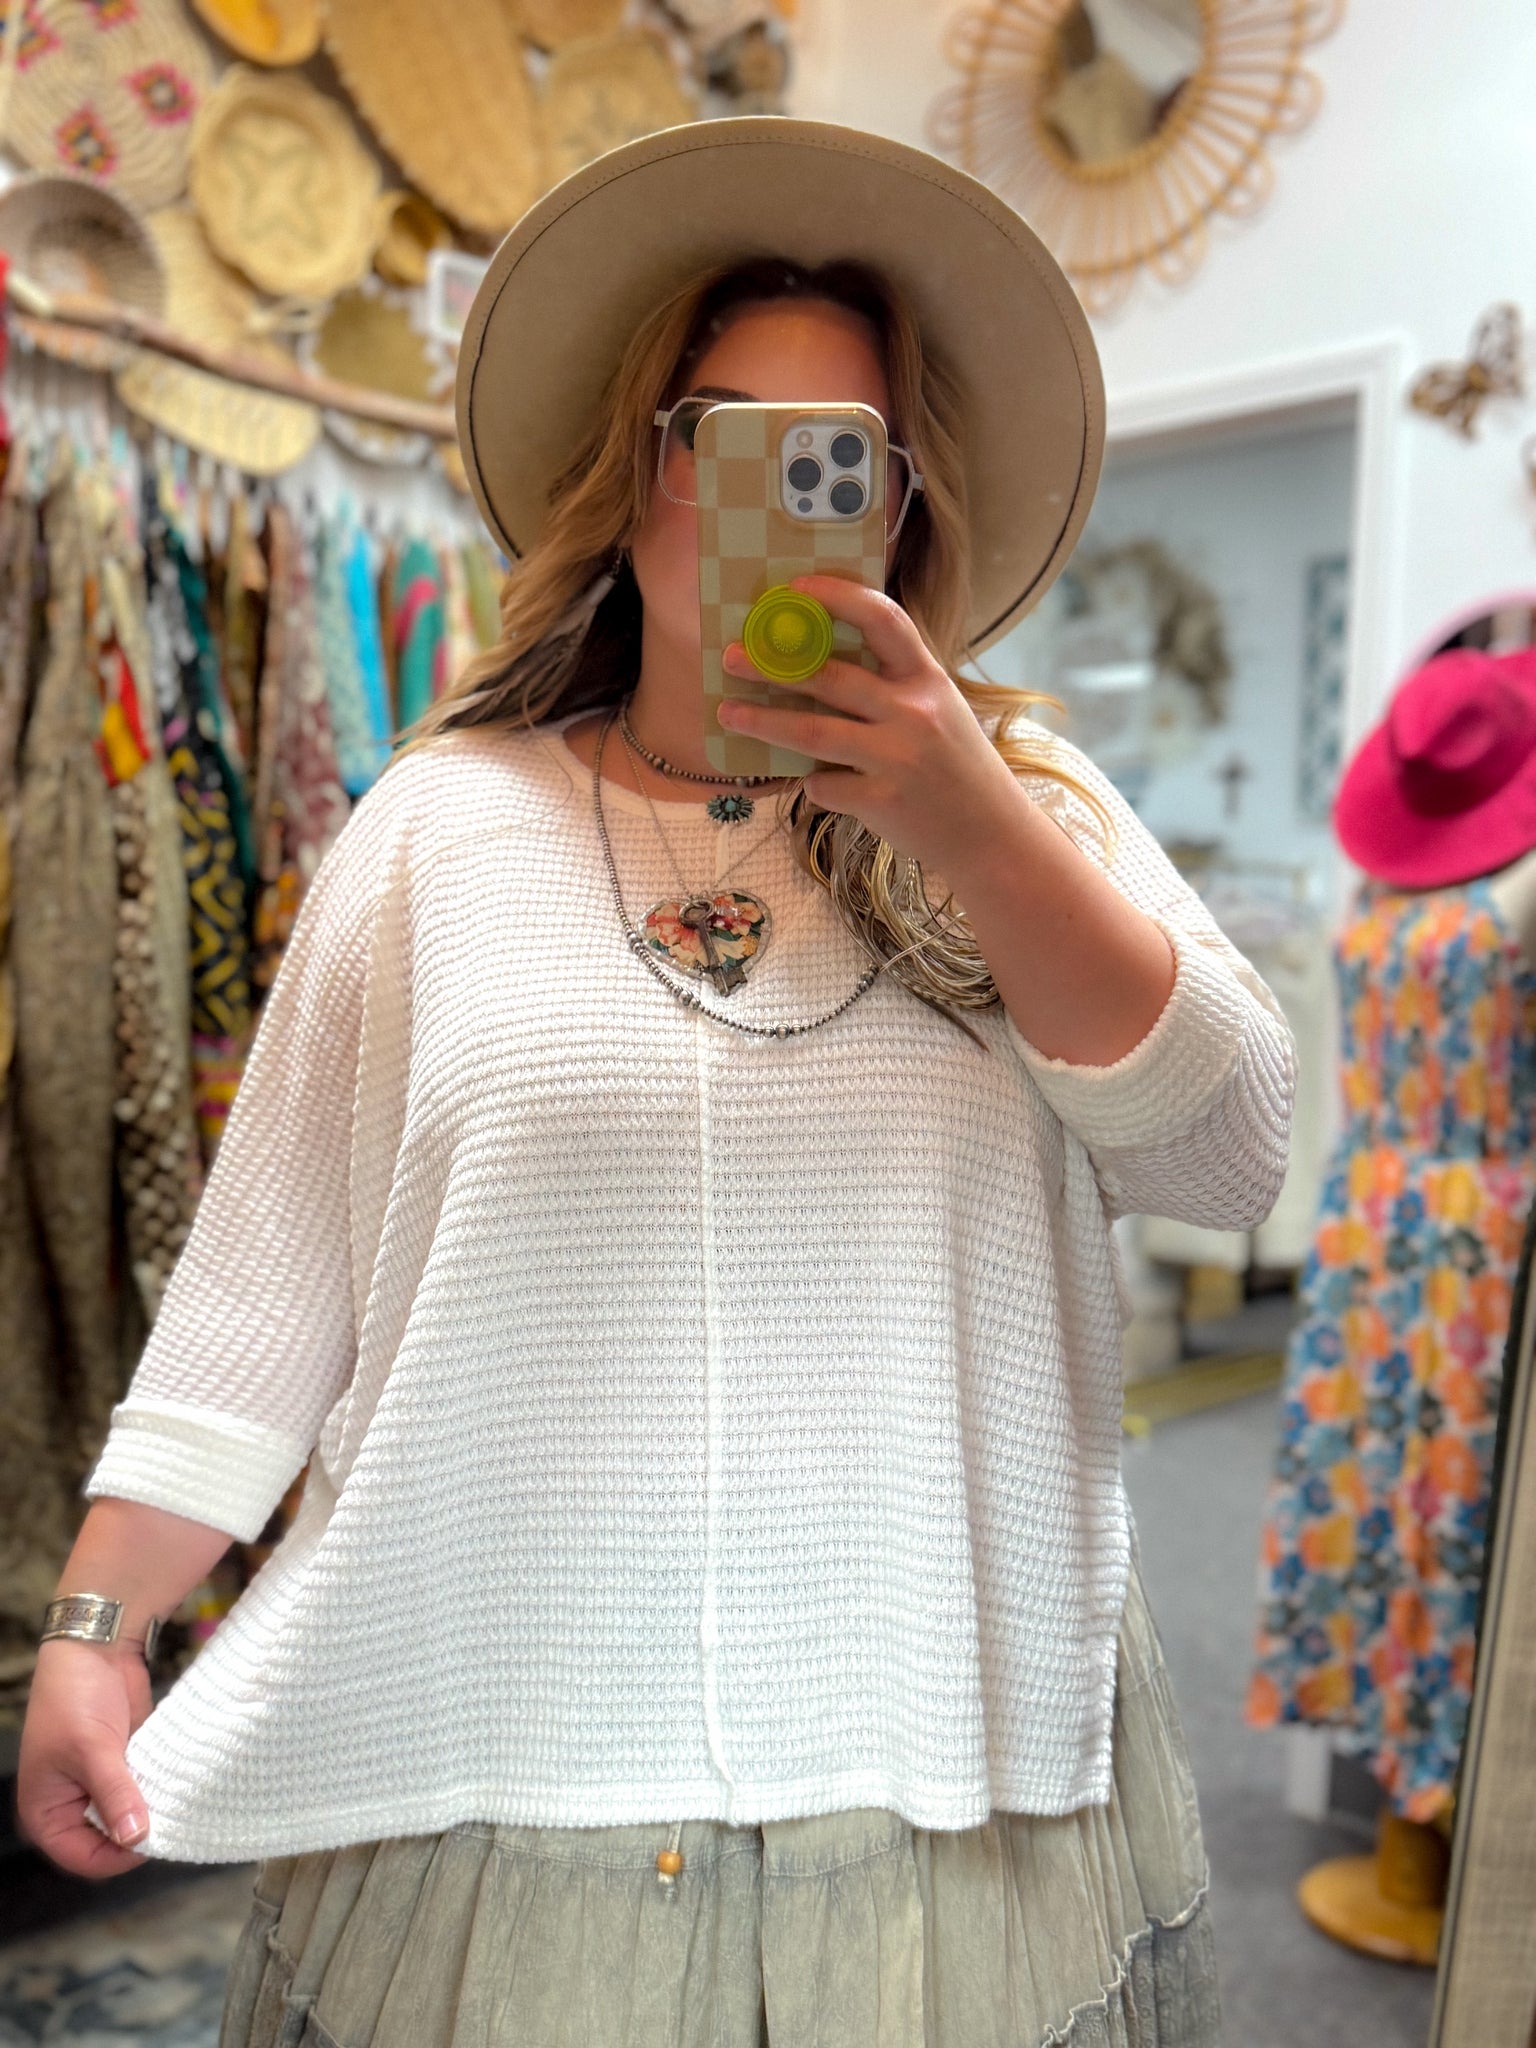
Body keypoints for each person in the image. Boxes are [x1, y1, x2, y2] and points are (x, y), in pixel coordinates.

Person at [18, 119, 1295, 2047]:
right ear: (633, 482)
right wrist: (97, 1628)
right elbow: (268, 1285)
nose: (776, 490)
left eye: (839, 454)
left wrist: (974, 827)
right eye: (722, 435)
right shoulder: (440, 828)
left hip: (935, 1751)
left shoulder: (1028, 810)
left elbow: (1228, 1153)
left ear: (899, 512)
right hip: (514, 1748)